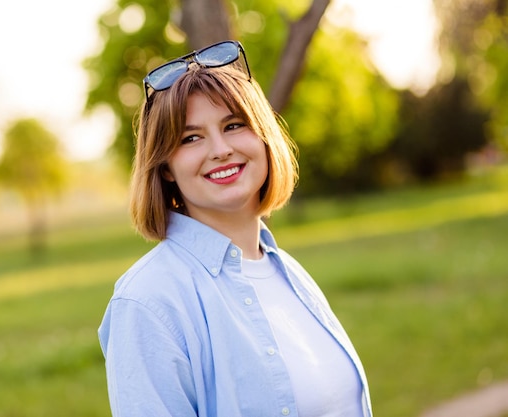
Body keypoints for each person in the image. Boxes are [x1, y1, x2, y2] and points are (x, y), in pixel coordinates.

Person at [98, 40, 372, 417]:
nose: (220, 149)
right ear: (164, 167)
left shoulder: (284, 270)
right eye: (190, 138)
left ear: (263, 135)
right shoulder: (147, 302)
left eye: (234, 125)